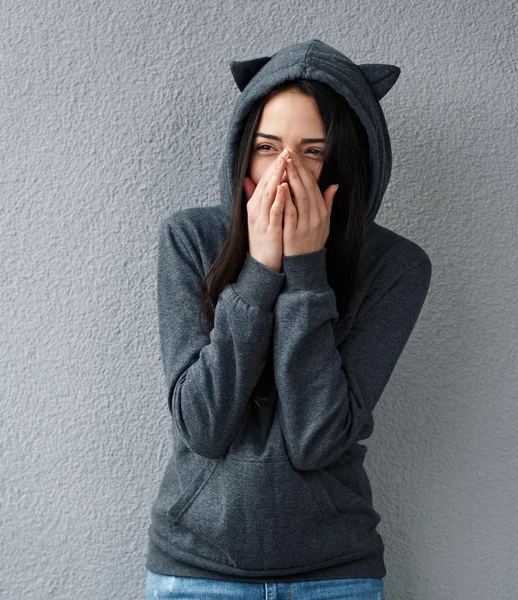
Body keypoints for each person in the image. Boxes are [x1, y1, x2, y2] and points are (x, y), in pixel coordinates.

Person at [144, 38, 431, 599]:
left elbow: (315, 440)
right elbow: (203, 426)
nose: (285, 171)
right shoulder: (191, 240)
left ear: (349, 160)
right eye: (267, 147)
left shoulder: (397, 266)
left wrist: (305, 272)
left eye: (313, 152)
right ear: (242, 153)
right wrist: (258, 269)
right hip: (197, 571)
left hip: (335, 574)